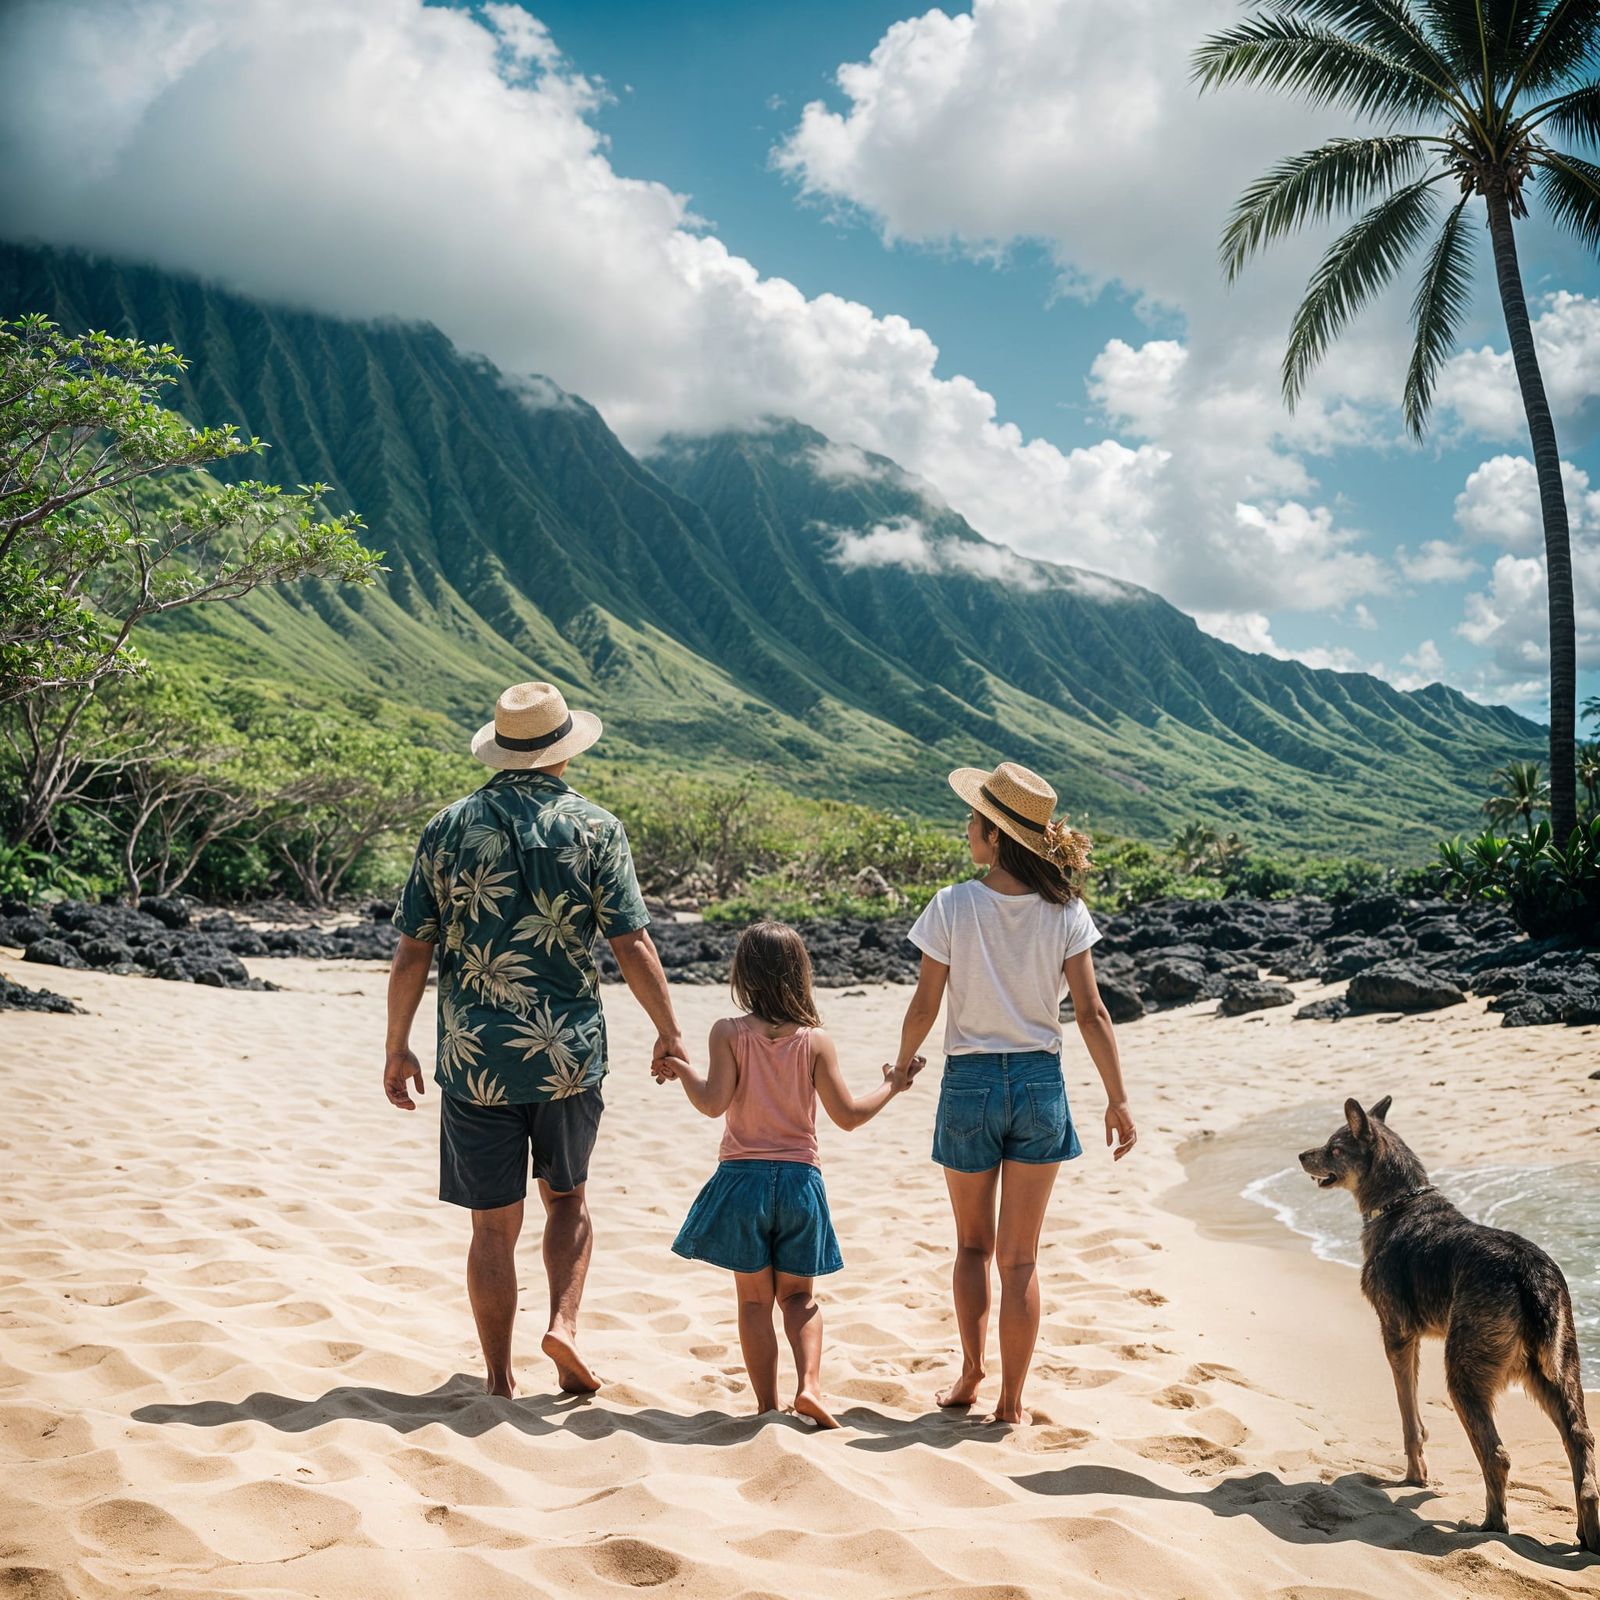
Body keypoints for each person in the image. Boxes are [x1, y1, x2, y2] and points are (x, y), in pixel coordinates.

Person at [383, 681, 687, 1398]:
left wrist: (397, 1045)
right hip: (567, 1055)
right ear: (563, 750)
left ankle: (498, 1378)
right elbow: (632, 943)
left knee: (492, 1229)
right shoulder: (594, 828)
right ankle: (565, 1328)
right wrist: (669, 1030)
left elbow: (410, 953)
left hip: (475, 1057)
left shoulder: (448, 827)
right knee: (569, 1201)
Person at [891, 761, 1136, 1426]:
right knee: (1020, 1258)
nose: (966, 827)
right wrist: (1117, 1099)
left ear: (996, 835)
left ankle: (970, 1374)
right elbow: (1092, 1013)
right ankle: (1011, 1403)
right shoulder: (1066, 912)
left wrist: (903, 1062)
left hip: (969, 1083)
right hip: (1037, 1084)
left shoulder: (952, 905)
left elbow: (925, 1003)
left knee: (972, 1247)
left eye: (974, 819)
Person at [656, 921, 922, 1429]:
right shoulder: (815, 1041)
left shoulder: (728, 1033)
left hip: (742, 1181)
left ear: (743, 974)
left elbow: (713, 1104)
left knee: (754, 1301)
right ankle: (810, 1387)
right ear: (800, 974)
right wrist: (892, 1086)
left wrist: (682, 1069)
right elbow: (846, 1116)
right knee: (799, 1298)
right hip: (801, 1183)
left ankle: (765, 1405)